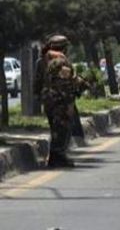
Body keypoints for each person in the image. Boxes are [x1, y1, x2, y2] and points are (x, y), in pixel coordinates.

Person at [33, 35, 87, 168]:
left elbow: (37, 83)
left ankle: (55, 157)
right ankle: (58, 157)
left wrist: (40, 96)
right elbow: (68, 83)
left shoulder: (41, 61)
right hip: (61, 100)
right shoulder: (62, 61)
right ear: (64, 47)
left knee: (55, 128)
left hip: (48, 100)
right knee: (63, 128)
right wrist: (82, 85)